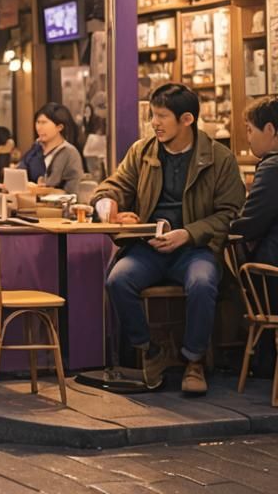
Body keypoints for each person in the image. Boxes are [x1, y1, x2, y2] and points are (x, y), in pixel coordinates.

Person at [94, 83, 245, 395]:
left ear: (187, 119)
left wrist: (188, 234)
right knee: (117, 280)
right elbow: (115, 185)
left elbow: (230, 213)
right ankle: (152, 352)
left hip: (195, 248)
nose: (154, 123)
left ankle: (194, 361)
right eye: (153, 115)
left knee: (202, 283)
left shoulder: (220, 158)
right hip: (149, 248)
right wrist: (106, 203)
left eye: (161, 116)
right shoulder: (143, 151)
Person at [231, 96, 278, 287]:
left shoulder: (272, 167)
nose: (248, 138)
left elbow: (249, 224)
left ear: (269, 129)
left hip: (272, 274)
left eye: (250, 130)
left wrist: (216, 227)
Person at [23, 103, 85, 195]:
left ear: (59, 127)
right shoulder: (36, 149)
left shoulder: (69, 152)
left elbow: (70, 191)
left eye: (44, 122)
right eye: (38, 122)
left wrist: (39, 189)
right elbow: (21, 172)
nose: (39, 128)